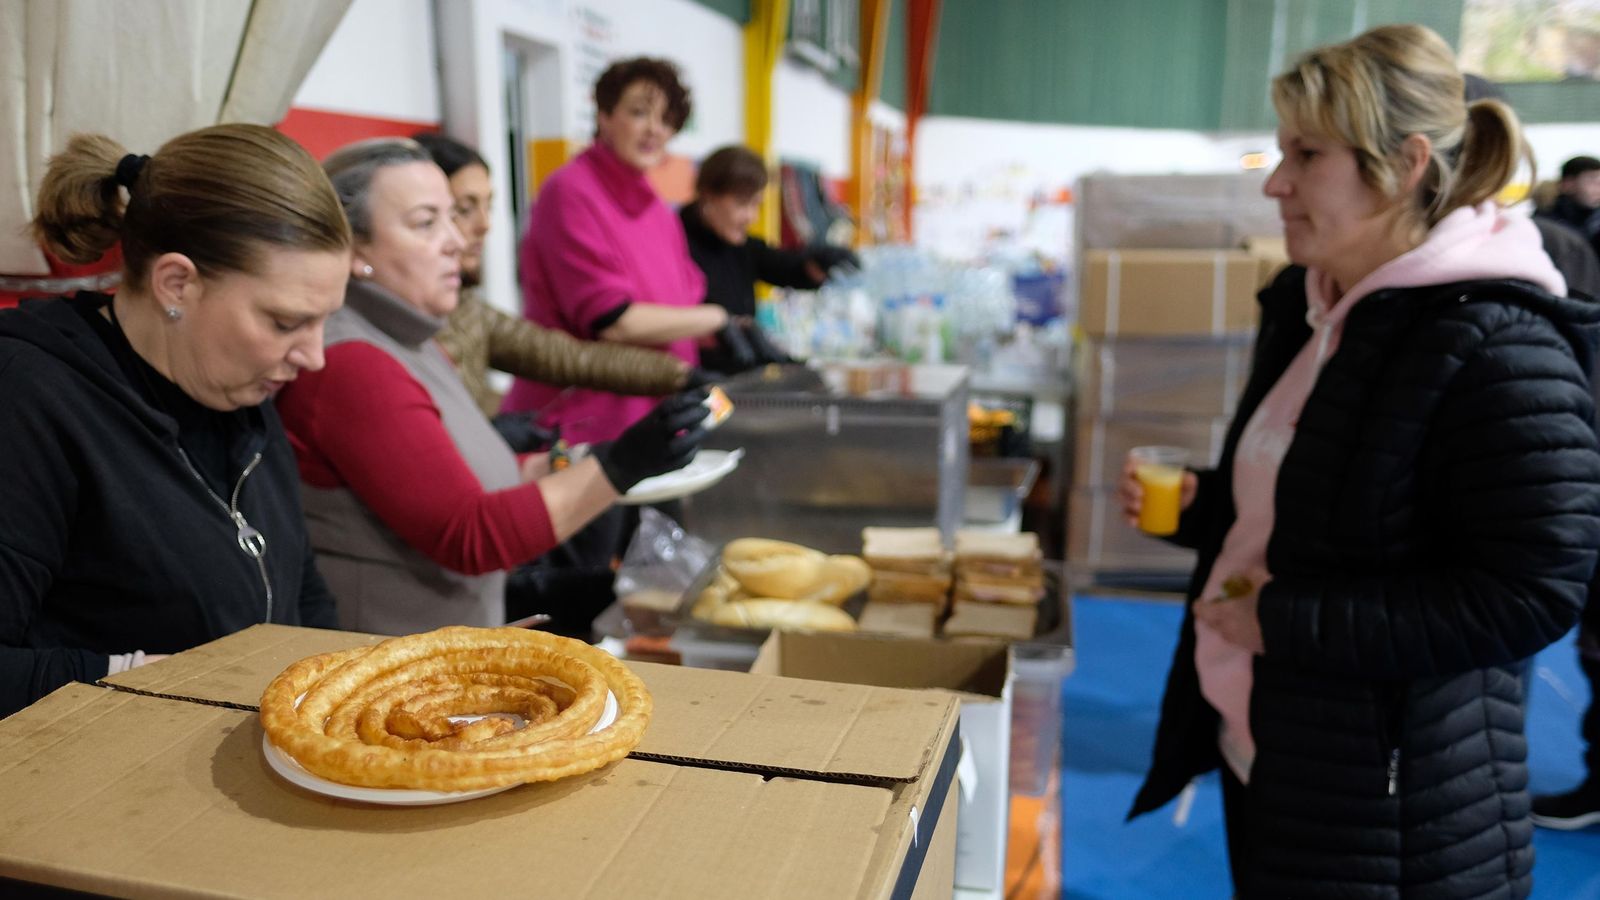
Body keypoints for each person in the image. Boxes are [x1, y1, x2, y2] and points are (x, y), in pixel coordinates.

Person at [1121, 25, 1600, 897]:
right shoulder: (1316, 308)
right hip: (1277, 747)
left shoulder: (1497, 343)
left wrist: (1288, 621)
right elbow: (1319, 498)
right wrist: (1206, 504)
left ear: (1407, 163)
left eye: (1306, 154)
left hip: (1397, 802)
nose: (1276, 183)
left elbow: (1532, 591)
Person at [275, 139, 710, 635]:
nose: (457, 240)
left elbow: (465, 471)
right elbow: (470, 534)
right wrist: (618, 467)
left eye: (452, 217)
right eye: (425, 223)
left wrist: (577, 458)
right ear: (356, 250)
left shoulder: (410, 335)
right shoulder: (353, 359)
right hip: (388, 662)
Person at [0, 124, 350, 718]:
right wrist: (137, 677)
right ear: (177, 284)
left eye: (324, 322)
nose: (313, 357)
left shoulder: (236, 388)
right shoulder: (29, 396)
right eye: (285, 322)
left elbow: (301, 591)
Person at [411, 132, 702, 442]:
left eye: (488, 206)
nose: (485, 225)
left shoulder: (466, 307)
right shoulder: (394, 324)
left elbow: (568, 357)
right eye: (464, 209)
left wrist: (679, 375)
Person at [501, 57, 731, 445]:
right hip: (584, 429)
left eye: (666, 119)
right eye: (639, 112)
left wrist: (725, 336)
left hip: (654, 417)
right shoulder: (570, 192)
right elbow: (614, 321)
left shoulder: (656, 208)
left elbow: (679, 303)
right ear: (604, 114)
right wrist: (716, 318)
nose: (654, 130)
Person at [681, 144, 859, 372]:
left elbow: (785, 266)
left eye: (756, 205)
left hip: (737, 380)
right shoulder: (677, 245)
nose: (751, 217)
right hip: (691, 377)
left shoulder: (741, 246)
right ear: (707, 195)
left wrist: (819, 261)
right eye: (742, 204)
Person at [1538, 155, 1600, 255]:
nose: (1598, 189)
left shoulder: (1596, 224)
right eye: (1592, 180)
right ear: (1568, 185)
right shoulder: (1543, 224)